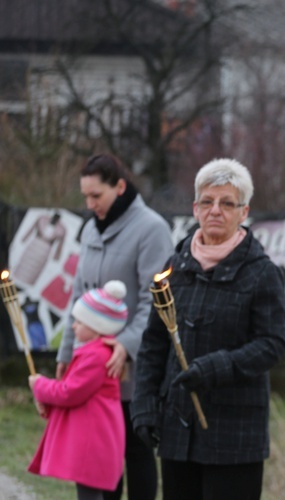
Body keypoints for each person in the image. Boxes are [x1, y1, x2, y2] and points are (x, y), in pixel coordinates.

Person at [130, 158, 285, 500]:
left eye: (227, 203)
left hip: (234, 435)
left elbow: (271, 345)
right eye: (207, 201)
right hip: (177, 429)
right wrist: (143, 404)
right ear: (195, 209)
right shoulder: (174, 267)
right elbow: (154, 341)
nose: (216, 210)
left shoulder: (261, 273)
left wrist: (215, 368)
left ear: (243, 212)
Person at [56, 153, 173, 500]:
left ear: (120, 187)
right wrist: (67, 353)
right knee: (99, 457)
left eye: (97, 196)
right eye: (86, 197)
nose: (90, 205)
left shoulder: (151, 229)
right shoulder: (91, 228)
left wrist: (124, 345)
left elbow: (154, 300)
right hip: (92, 369)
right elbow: (79, 298)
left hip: (133, 369)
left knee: (136, 452)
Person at [29, 281, 129, 500]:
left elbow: (69, 392)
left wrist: (40, 385)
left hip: (93, 442)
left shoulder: (96, 356)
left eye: (80, 321)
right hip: (93, 439)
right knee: (88, 491)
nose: (73, 326)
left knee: (89, 494)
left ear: (97, 325)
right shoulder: (95, 351)